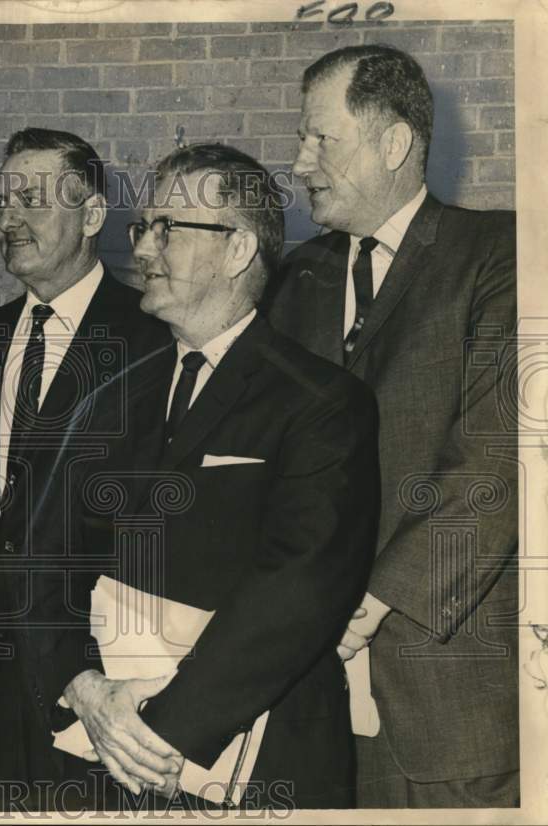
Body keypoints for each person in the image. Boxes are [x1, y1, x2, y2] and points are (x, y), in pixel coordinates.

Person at [60, 142, 380, 809]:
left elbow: (298, 588)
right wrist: (84, 688)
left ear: (237, 251)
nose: (143, 249)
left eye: (167, 229)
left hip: (251, 765)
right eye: (142, 228)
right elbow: (48, 560)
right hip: (102, 752)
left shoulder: (321, 402)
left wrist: (158, 731)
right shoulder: (109, 398)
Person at [269, 45, 518, 807]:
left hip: (447, 701)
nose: (300, 161)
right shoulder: (295, 280)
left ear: (395, 143)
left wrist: (370, 602)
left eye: (320, 138)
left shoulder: (501, 254)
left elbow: (497, 455)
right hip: (305, 704)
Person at [0, 127, 172, 808]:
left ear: (93, 215)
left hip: (92, 667)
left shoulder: (151, 335)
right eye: (3, 200)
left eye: (32, 200)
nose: (9, 219)